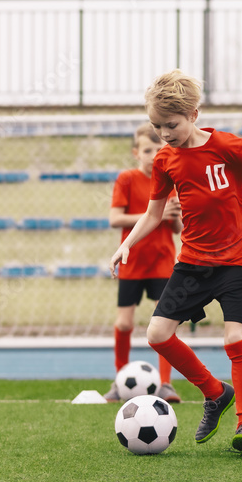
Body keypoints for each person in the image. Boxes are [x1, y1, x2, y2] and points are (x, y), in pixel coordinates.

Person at [110, 70, 242, 457]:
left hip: (240, 260)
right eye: (157, 127)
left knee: (235, 337)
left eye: (171, 125)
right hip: (193, 261)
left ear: (194, 114)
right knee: (157, 334)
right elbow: (153, 213)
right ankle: (214, 392)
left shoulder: (228, 146)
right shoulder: (164, 160)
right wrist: (127, 243)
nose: (164, 133)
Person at [103, 123, 183, 403]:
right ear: (137, 153)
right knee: (124, 324)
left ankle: (165, 383)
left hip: (162, 263)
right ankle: (119, 380)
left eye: (159, 149)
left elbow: (176, 229)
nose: (154, 155)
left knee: (163, 324)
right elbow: (115, 219)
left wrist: (175, 215)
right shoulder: (126, 179)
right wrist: (154, 215)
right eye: (148, 150)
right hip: (133, 262)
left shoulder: (170, 180)